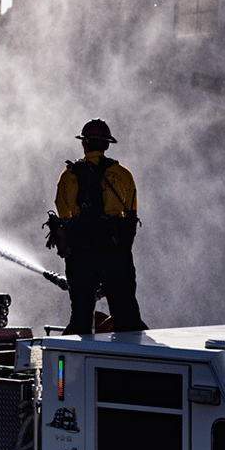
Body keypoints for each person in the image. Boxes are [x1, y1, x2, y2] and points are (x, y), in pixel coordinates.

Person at [53, 118, 146, 334]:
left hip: (80, 257)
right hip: (115, 254)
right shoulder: (122, 175)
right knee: (126, 317)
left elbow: (63, 214)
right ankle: (131, 362)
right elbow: (130, 216)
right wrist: (118, 258)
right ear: (106, 145)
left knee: (80, 316)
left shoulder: (68, 176)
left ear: (84, 144)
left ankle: (75, 363)